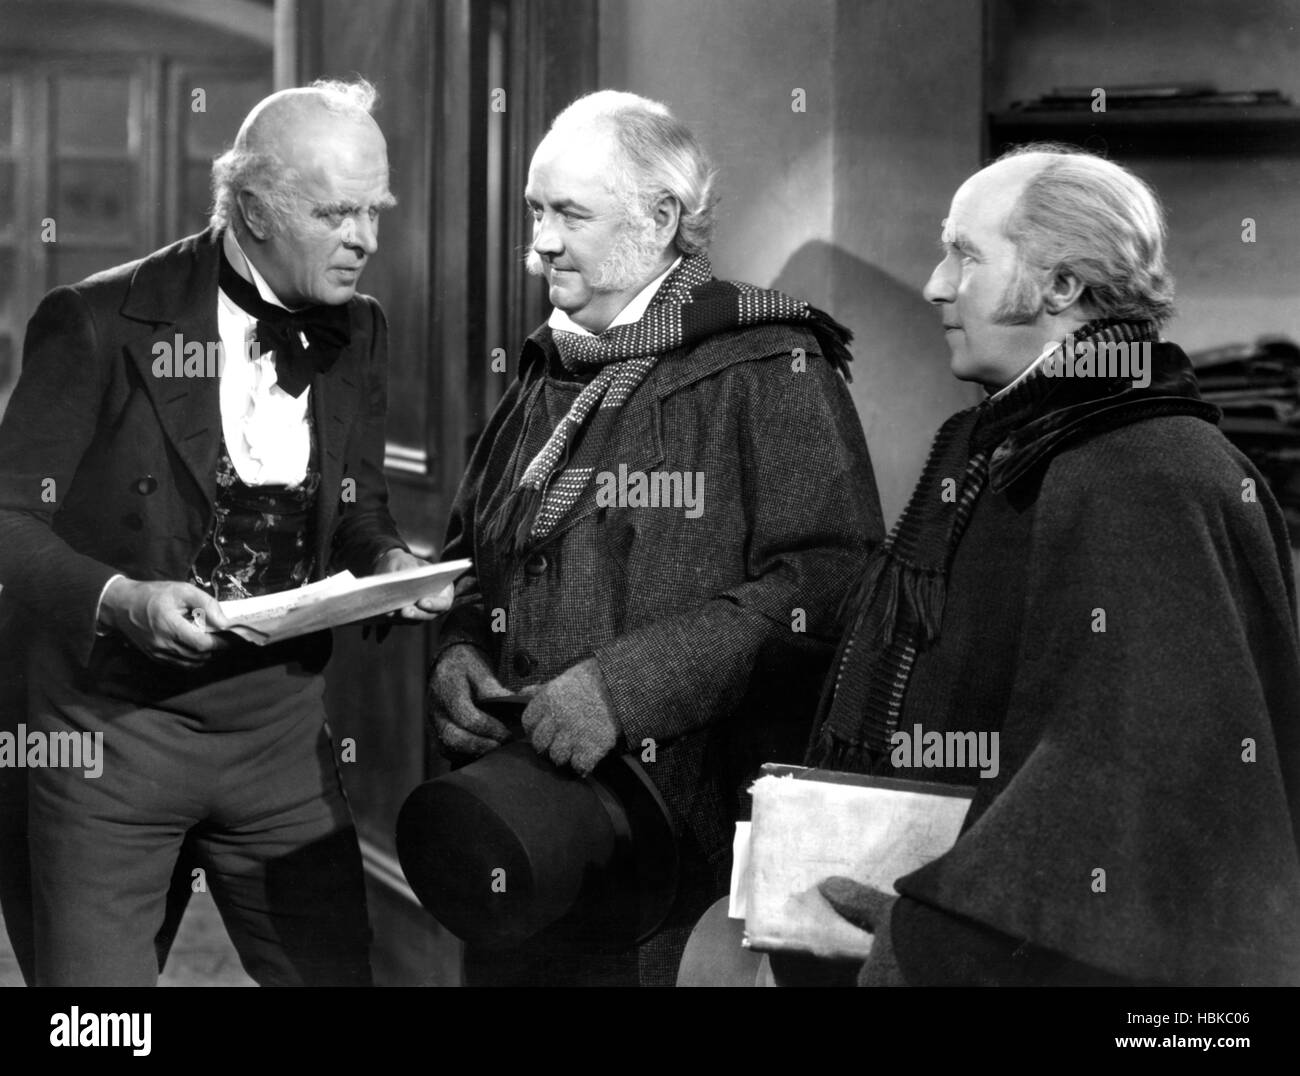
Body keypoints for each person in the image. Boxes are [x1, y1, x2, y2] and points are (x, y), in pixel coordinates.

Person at [810, 143, 1300, 986]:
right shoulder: (1007, 442)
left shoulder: (1147, 471)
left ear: (1063, 286)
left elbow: (1139, 784)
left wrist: (943, 939)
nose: (935, 283)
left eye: (964, 252)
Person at [426, 90, 883, 986]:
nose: (542, 242)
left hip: (678, 849)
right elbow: (471, 563)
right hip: (520, 831)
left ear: (662, 217)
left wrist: (623, 690)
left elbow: (828, 581)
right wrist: (456, 654)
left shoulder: (768, 358)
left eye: (570, 214)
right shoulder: (549, 362)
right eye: (536, 211)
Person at [0, 78, 445, 986]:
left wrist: (396, 566)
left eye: (373, 211)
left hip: (279, 736)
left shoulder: (359, 330)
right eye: (334, 212)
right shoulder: (96, 320)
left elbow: (358, 509)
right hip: (107, 737)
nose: (364, 239)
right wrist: (120, 599)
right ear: (250, 206)